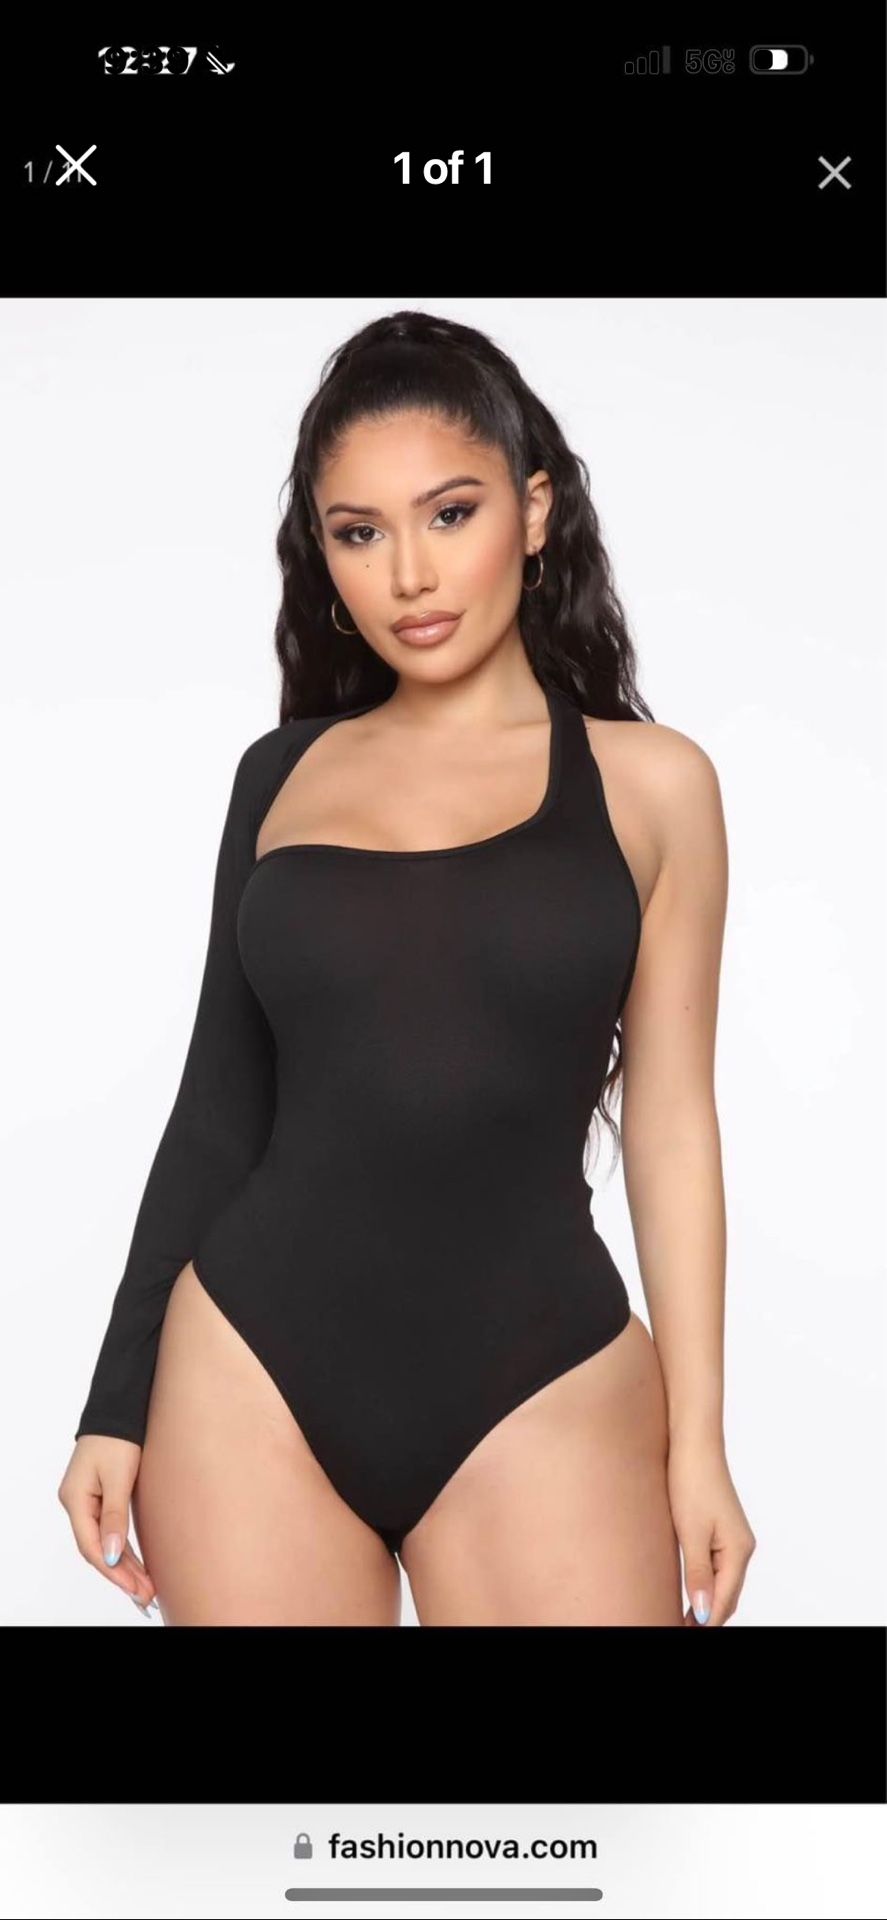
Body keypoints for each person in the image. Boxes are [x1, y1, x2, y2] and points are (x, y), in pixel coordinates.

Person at [58, 308, 756, 1626]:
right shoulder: (280, 777)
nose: (411, 577)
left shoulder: (656, 787)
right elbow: (219, 1105)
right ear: (324, 555)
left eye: (450, 513)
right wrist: (114, 1403)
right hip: (250, 1370)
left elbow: (673, 1122)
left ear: (534, 513)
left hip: (540, 1375)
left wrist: (702, 1444)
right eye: (359, 533)